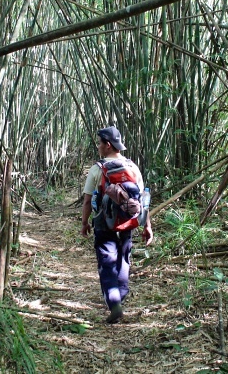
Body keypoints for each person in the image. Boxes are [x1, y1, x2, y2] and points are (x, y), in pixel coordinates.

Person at [81, 126, 153, 323]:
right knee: (124, 258)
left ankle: (114, 303)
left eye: (99, 143)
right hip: (129, 222)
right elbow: (142, 200)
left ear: (108, 145)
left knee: (107, 261)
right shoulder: (132, 167)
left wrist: (85, 223)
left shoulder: (98, 168)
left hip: (105, 223)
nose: (98, 147)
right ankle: (119, 296)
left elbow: (87, 201)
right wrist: (146, 225)